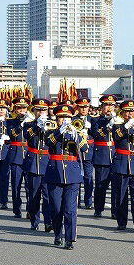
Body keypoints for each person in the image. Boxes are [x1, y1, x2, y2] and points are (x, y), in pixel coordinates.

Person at [44, 104, 88, 250]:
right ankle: (58, 234)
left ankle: (69, 239)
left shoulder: (78, 133)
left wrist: (76, 135)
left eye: (68, 117)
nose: (65, 120)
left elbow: (85, 148)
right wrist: (59, 132)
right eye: (62, 117)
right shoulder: (50, 131)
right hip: (54, 172)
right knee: (56, 208)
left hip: (72, 173)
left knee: (70, 209)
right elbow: (48, 143)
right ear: (57, 119)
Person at [111, 100, 134, 232]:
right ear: (123, 112)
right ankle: (122, 222)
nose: (131, 113)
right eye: (127, 111)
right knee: (121, 194)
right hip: (121, 161)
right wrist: (126, 126)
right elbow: (116, 137)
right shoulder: (117, 124)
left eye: (133, 111)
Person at [22, 98, 53, 231]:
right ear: (33, 110)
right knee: (34, 195)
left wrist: (46, 127)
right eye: (38, 110)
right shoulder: (28, 123)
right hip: (33, 161)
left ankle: (48, 221)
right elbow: (27, 136)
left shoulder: (53, 124)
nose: (41, 112)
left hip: (48, 161)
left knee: (47, 195)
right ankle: (34, 221)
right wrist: (37, 125)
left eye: (44, 110)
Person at [92, 94, 118, 218]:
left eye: (112, 105)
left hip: (116, 155)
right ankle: (98, 208)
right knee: (100, 185)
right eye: (106, 105)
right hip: (101, 155)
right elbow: (97, 134)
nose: (109, 108)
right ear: (101, 107)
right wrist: (108, 126)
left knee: (116, 186)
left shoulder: (119, 120)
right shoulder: (96, 120)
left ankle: (115, 210)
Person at [6, 97, 31, 218]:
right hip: (16, 156)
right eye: (19, 108)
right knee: (16, 185)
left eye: (24, 108)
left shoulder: (31, 121)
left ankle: (30, 209)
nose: (22, 110)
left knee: (29, 186)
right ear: (15, 109)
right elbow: (12, 134)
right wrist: (21, 125)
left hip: (29, 156)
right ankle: (17, 208)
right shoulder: (10, 121)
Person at [73, 98, 95, 209]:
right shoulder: (73, 119)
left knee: (88, 177)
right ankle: (76, 201)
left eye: (86, 107)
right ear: (77, 107)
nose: (84, 109)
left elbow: (97, 134)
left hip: (88, 151)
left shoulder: (93, 119)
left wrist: (91, 128)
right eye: (82, 107)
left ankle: (88, 201)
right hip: (76, 152)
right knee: (76, 178)